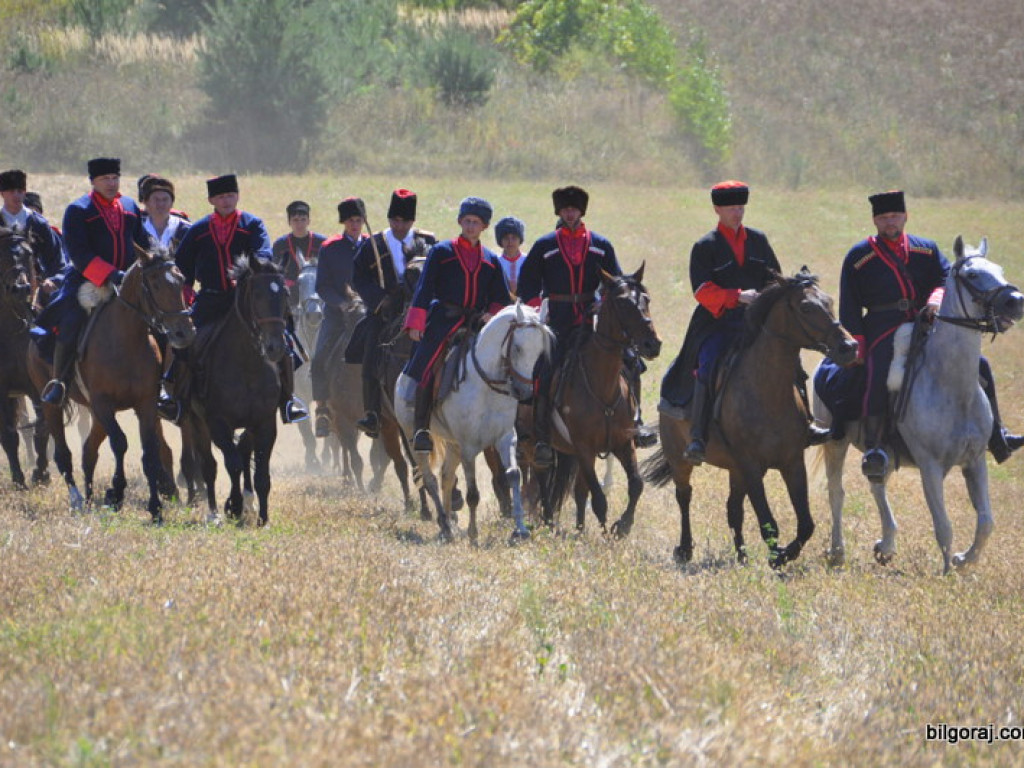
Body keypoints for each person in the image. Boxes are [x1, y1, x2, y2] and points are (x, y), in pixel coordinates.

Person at [839, 190, 1023, 480]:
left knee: (981, 365)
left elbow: (945, 276)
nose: (890, 222)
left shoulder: (926, 248)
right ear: (875, 220)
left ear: (905, 217)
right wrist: (858, 344)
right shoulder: (858, 256)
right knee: (876, 373)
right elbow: (848, 303)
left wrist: (937, 298)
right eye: (884, 218)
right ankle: (876, 447)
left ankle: (997, 435)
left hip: (927, 321)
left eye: (895, 216)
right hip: (882, 326)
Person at [660, 181, 827, 465]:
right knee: (708, 362)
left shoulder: (758, 240)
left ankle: (806, 423)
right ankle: (699, 436)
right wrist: (737, 296)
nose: (737, 213)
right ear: (717, 209)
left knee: (791, 358)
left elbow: (774, 279)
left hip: (756, 321)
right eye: (731, 208)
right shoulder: (705, 246)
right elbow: (701, 291)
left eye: (740, 207)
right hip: (717, 322)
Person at [518, 185, 653, 469]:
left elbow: (616, 284)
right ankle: (542, 436)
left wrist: (602, 303)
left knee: (631, 362)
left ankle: (636, 423)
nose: (570, 213)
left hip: (594, 322)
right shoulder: (545, 246)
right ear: (559, 212)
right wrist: (536, 308)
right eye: (565, 209)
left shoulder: (601, 245)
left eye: (574, 209)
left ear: (581, 211)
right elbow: (527, 283)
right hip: (558, 321)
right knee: (544, 369)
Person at [162, 174, 308, 424]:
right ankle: (176, 398)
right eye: (220, 197)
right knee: (183, 343)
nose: (226, 200)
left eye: (230, 195)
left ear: (237, 196)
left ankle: (287, 400)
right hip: (210, 299)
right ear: (211, 200)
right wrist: (185, 296)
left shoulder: (252, 224)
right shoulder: (198, 230)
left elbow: (262, 253)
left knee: (283, 338)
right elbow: (181, 267)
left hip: (249, 301)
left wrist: (249, 272)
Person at [401, 196, 512, 453]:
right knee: (429, 364)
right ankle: (421, 429)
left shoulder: (491, 260)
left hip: (477, 323)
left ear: (484, 226)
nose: (471, 226)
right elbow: (424, 287)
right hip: (444, 319)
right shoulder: (442, 252)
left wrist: (491, 314)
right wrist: (416, 321)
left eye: (476, 222)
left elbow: (502, 299)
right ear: (460, 222)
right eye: (467, 221)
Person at [35, 158, 149, 405]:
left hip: (128, 281)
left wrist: (154, 261)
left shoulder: (130, 206)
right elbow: (79, 254)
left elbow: (144, 241)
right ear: (93, 181)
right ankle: (60, 381)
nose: (111, 183)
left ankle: (163, 383)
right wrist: (111, 274)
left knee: (160, 315)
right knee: (70, 322)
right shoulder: (78, 210)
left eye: (115, 178)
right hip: (88, 279)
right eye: (105, 179)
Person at [351, 188, 436, 438]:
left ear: (412, 221)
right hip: (386, 311)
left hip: (421, 309)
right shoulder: (373, 244)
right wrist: (380, 301)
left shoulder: (428, 242)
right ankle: (373, 413)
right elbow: (359, 278)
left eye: (405, 221)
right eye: (395, 220)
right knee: (371, 353)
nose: (399, 225)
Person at [311, 196, 368, 437]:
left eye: (358, 220)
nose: (354, 225)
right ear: (343, 222)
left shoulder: (373, 245)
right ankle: (323, 409)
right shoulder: (330, 248)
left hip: (369, 312)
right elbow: (322, 286)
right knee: (318, 357)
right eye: (350, 220)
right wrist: (342, 304)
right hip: (338, 315)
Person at [0, 170, 67, 309]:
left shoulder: (39, 223)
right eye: (11, 191)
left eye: (20, 191)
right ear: (2, 194)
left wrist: (53, 280)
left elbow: (56, 259)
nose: (16, 195)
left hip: (36, 289)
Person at [272, 200, 327, 308]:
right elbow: (275, 272)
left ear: (308, 221)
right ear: (289, 222)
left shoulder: (321, 242)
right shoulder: (280, 244)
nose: (299, 224)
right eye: (295, 220)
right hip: (289, 294)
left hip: (315, 292)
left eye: (303, 219)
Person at [140, 175, 190, 252]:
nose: (161, 204)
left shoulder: (186, 229)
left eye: (165, 199)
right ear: (145, 202)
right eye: (156, 199)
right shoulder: (137, 228)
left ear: (172, 202)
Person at [494, 215, 527, 297]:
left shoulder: (528, 261)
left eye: (514, 238)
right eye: (506, 238)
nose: (510, 242)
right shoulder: (495, 262)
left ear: (520, 239)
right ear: (500, 240)